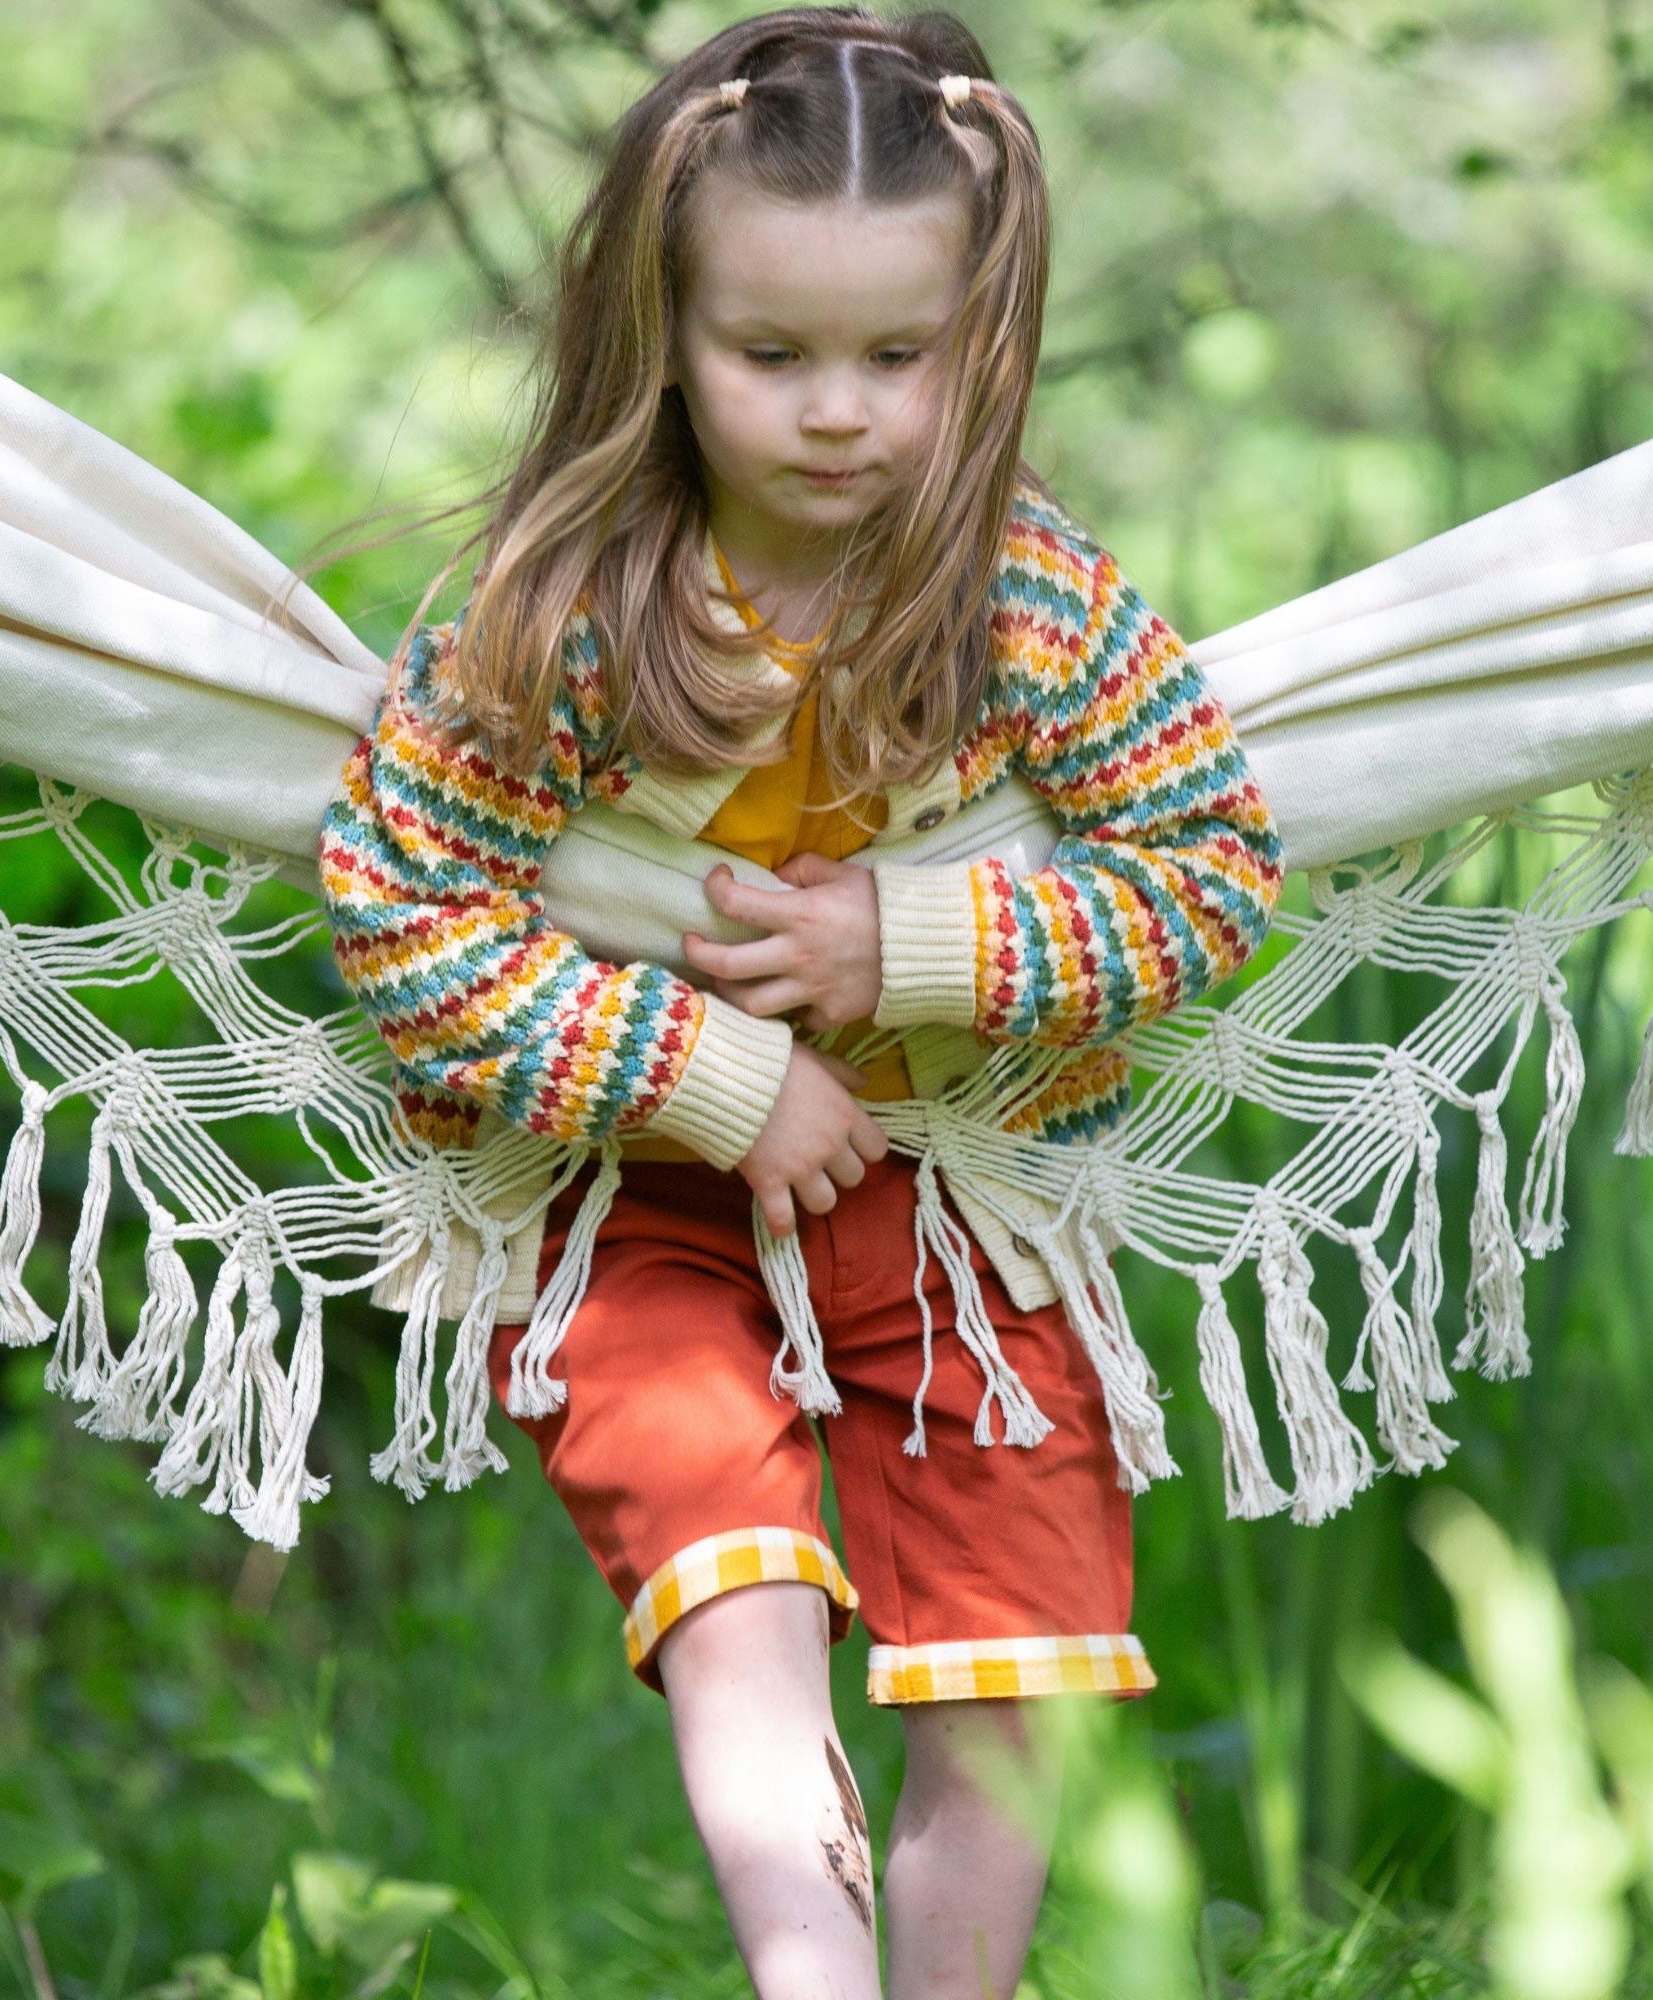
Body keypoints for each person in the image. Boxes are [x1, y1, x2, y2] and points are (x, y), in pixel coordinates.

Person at [317, 7, 1285, 1994]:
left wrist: (896, 950)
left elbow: (1213, 868)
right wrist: (710, 1074)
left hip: (954, 1185)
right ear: (662, 340)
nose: (838, 411)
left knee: (1016, 1667)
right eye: (773, 356)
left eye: (895, 358)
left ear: (978, 345)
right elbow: (402, 901)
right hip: (638, 1188)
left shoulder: (1029, 604)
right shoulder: (569, 612)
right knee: (734, 1596)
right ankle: (803, 1971)